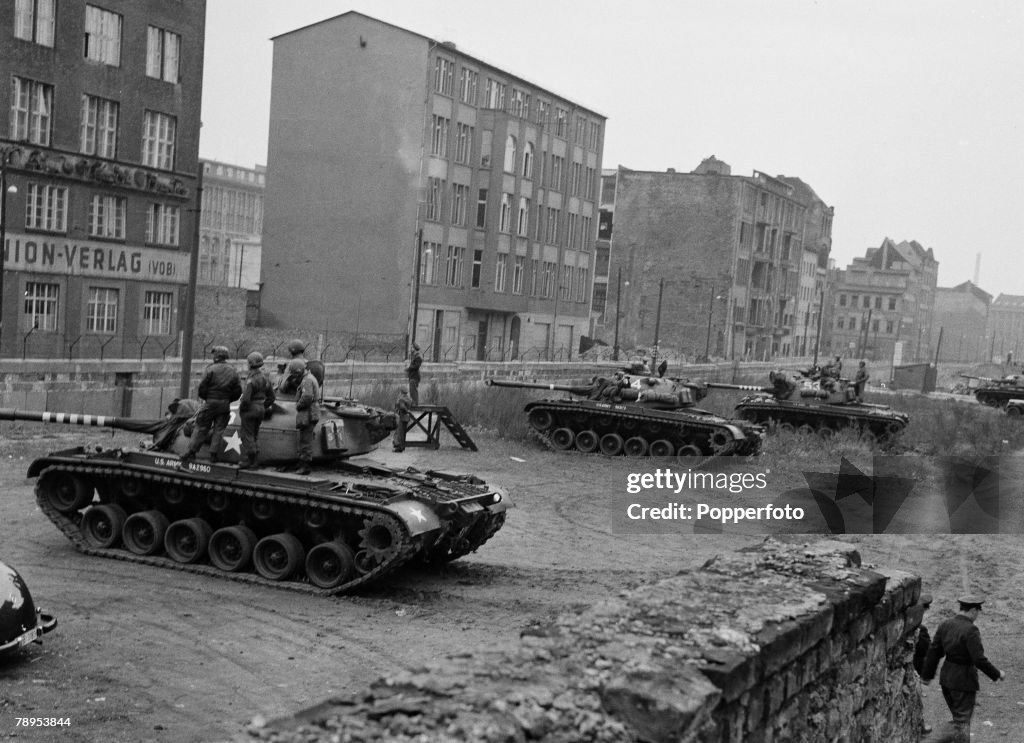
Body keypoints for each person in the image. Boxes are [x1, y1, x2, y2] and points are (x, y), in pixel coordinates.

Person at [922, 595, 1005, 743]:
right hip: (963, 681)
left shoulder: (945, 624)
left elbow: (934, 652)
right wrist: (997, 673)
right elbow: (978, 659)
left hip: (946, 678)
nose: (977, 616)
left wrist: (927, 676)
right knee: (961, 723)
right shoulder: (971, 630)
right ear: (973, 610)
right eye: (977, 612)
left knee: (960, 719)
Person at [180, 346, 242, 465]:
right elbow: (238, 390)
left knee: (201, 427)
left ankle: (191, 452)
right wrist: (228, 399)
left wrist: (207, 398)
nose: (213, 357)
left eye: (214, 354)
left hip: (210, 403)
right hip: (224, 404)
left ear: (217, 356)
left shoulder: (210, 369)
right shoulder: (233, 371)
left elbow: (202, 387)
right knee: (219, 430)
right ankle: (213, 455)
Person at [237, 351, 276, 469]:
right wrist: (263, 406)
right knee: (254, 435)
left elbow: (246, 399)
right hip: (260, 409)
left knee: (247, 435)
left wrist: (243, 409)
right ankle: (254, 460)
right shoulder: (266, 379)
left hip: (250, 410)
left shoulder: (251, 380)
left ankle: (251, 461)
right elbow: (272, 397)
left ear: (250, 364)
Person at [284, 359, 320, 475]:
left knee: (305, 440)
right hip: (309, 411)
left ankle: (305, 466)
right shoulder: (309, 377)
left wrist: (298, 406)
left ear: (298, 372)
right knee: (304, 438)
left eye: (294, 373)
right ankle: (301, 463)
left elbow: (307, 397)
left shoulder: (307, 380)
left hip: (308, 412)